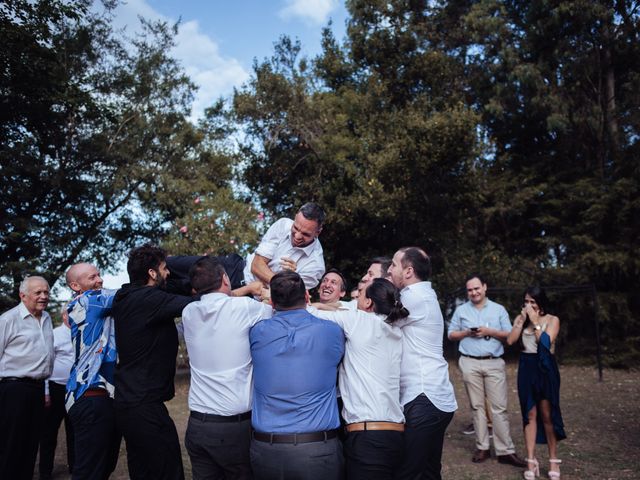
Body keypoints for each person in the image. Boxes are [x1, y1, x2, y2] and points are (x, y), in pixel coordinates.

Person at [181, 257, 273, 479]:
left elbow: (218, 299)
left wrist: (246, 289)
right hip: (232, 429)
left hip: (198, 425)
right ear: (224, 278)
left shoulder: (189, 312)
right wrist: (260, 291)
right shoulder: (244, 308)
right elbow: (274, 307)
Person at [111, 244, 197, 480]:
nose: (168, 272)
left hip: (130, 402)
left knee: (144, 472)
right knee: (167, 471)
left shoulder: (126, 296)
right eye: (164, 268)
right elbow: (198, 305)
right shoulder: (148, 299)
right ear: (151, 273)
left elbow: (175, 288)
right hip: (144, 406)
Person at [249, 271, 345, 480]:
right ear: (307, 297)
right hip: (316, 450)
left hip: (267, 450)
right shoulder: (332, 332)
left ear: (272, 302)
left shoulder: (257, 332)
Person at [308, 278, 407, 479]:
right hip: (394, 433)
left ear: (368, 303)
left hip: (368, 435)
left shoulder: (359, 321)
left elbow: (309, 314)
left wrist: (311, 302)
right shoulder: (395, 330)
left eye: (360, 295)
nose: (355, 301)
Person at [387, 247, 457, 480]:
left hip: (424, 397)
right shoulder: (423, 295)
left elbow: (379, 324)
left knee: (408, 472)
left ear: (408, 271)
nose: (389, 269)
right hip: (434, 397)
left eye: (394, 265)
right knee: (428, 471)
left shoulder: (412, 297)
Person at [447, 274, 527, 467]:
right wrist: (467, 332)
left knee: (499, 408)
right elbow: (451, 334)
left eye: (476, 288)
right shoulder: (461, 310)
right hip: (469, 362)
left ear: (484, 287)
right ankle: (482, 447)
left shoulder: (498, 309)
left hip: (493, 362)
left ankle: (505, 451)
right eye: (470, 290)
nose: (474, 292)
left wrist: (489, 332)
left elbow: (509, 335)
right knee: (477, 407)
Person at [65, 262, 120, 480]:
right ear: (75, 285)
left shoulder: (97, 303)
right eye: (92, 277)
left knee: (103, 468)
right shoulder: (89, 301)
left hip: (102, 398)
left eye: (99, 275)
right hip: (90, 396)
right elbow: (132, 293)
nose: (99, 280)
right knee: (89, 471)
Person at [506, 286, 566, 480]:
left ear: (540, 302)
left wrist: (535, 322)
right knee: (529, 413)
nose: (529, 305)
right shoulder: (522, 320)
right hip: (526, 367)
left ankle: (553, 460)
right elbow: (510, 341)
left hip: (545, 368)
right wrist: (520, 322)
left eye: (533, 301)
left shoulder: (552, 320)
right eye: (526, 302)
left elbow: (546, 344)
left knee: (547, 415)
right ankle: (531, 460)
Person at [0, 276, 54, 480]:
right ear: (23, 295)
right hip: (13, 390)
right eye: (38, 292)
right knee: (11, 446)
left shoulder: (47, 317)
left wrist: (46, 389)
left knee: (31, 446)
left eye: (46, 292)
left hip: (37, 388)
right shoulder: (8, 319)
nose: (43, 296)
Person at [243, 203, 326, 289]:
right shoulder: (283, 225)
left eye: (305, 234)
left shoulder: (315, 266)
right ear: (295, 217)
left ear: (318, 232)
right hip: (241, 272)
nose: (297, 236)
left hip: (259, 299)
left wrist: (289, 277)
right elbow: (256, 265)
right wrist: (284, 281)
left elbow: (289, 293)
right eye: (295, 228)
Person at [39, 305, 75, 479]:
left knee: (74, 430)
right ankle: (45, 471)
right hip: (55, 389)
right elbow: (45, 363)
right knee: (49, 432)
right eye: (70, 313)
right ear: (63, 315)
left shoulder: (82, 333)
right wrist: (46, 391)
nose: (74, 316)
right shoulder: (54, 334)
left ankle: (75, 468)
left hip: (75, 389)